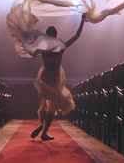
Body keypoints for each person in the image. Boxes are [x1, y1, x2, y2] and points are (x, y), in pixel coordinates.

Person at [27, 13, 86, 141]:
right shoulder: (60, 46)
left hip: (45, 76)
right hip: (54, 77)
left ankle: (42, 127)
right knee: (51, 106)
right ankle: (43, 131)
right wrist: (82, 21)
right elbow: (76, 36)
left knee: (44, 103)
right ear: (56, 36)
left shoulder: (45, 47)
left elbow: (32, 51)